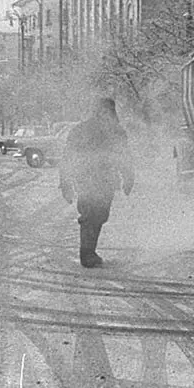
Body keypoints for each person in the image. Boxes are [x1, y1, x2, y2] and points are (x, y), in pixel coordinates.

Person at [59, 98, 135, 268]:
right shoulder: (82, 131)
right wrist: (65, 183)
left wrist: (128, 176)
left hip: (104, 180)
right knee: (90, 215)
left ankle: (89, 252)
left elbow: (124, 156)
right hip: (88, 179)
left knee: (99, 215)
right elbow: (68, 158)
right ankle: (87, 254)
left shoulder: (115, 132)